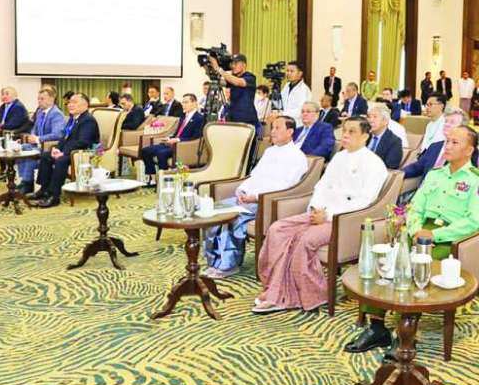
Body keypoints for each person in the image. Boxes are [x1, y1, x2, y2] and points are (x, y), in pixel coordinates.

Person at [344, 126, 479, 353]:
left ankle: (405, 334)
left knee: (415, 267)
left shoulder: (474, 180)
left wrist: (434, 235)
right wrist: (416, 230)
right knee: (383, 260)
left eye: (455, 143)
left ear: (469, 150)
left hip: (450, 238)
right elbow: (415, 207)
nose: (447, 146)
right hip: (419, 230)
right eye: (447, 141)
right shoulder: (435, 174)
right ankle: (377, 328)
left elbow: (474, 221)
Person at [254, 117, 388, 314]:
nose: (345, 135)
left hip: (343, 220)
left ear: (365, 136)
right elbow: (321, 186)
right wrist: (316, 208)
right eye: (344, 131)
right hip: (319, 212)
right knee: (277, 229)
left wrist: (328, 215)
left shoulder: (374, 164)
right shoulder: (339, 157)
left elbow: (365, 202)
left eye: (352, 132)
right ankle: (276, 289)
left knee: (304, 239)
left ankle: (305, 295)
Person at [202, 116, 308, 279]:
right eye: (272, 127)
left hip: (267, 203)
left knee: (230, 217)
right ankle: (214, 262)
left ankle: (228, 265)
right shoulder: (270, 151)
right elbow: (254, 176)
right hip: (248, 198)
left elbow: (286, 188)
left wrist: (255, 197)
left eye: (277, 128)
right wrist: (242, 190)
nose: (272, 132)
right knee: (212, 211)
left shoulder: (297, 157)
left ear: (290, 132)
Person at [31, 93, 100, 208]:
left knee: (61, 160)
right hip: (71, 151)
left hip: (82, 153)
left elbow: (82, 142)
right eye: (69, 102)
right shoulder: (73, 118)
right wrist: (56, 149)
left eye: (74, 102)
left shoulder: (88, 120)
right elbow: (64, 137)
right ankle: (44, 190)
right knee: (45, 156)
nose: (70, 105)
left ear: (85, 105)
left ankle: (54, 196)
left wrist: (63, 153)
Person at [141, 94, 205, 184]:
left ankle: (164, 181)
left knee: (161, 153)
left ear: (194, 103)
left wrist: (178, 140)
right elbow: (177, 133)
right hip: (172, 143)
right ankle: (153, 179)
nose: (183, 105)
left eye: (186, 102)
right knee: (145, 151)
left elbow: (196, 138)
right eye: (183, 102)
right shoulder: (183, 117)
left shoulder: (200, 118)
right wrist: (169, 138)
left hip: (182, 146)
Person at [16, 87, 66, 194]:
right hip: (38, 144)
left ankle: (28, 183)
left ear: (52, 99)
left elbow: (57, 134)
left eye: (42, 99)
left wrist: (38, 139)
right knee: (21, 148)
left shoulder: (56, 114)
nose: (39, 101)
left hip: (49, 146)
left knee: (30, 152)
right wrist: (30, 138)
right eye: (38, 99)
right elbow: (35, 129)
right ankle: (24, 180)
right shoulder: (39, 112)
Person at [403, 110, 470, 180]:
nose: (446, 124)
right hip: (426, 185)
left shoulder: (465, 151)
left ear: (463, 128)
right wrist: (398, 173)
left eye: (452, 122)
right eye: (446, 121)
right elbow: (417, 167)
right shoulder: (434, 146)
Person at [209, 54, 260, 136]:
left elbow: (237, 82)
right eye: (232, 64)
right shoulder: (233, 78)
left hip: (246, 120)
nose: (233, 66)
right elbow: (220, 82)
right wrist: (209, 68)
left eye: (236, 63)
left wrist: (218, 69)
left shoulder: (250, 77)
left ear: (244, 65)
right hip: (233, 119)